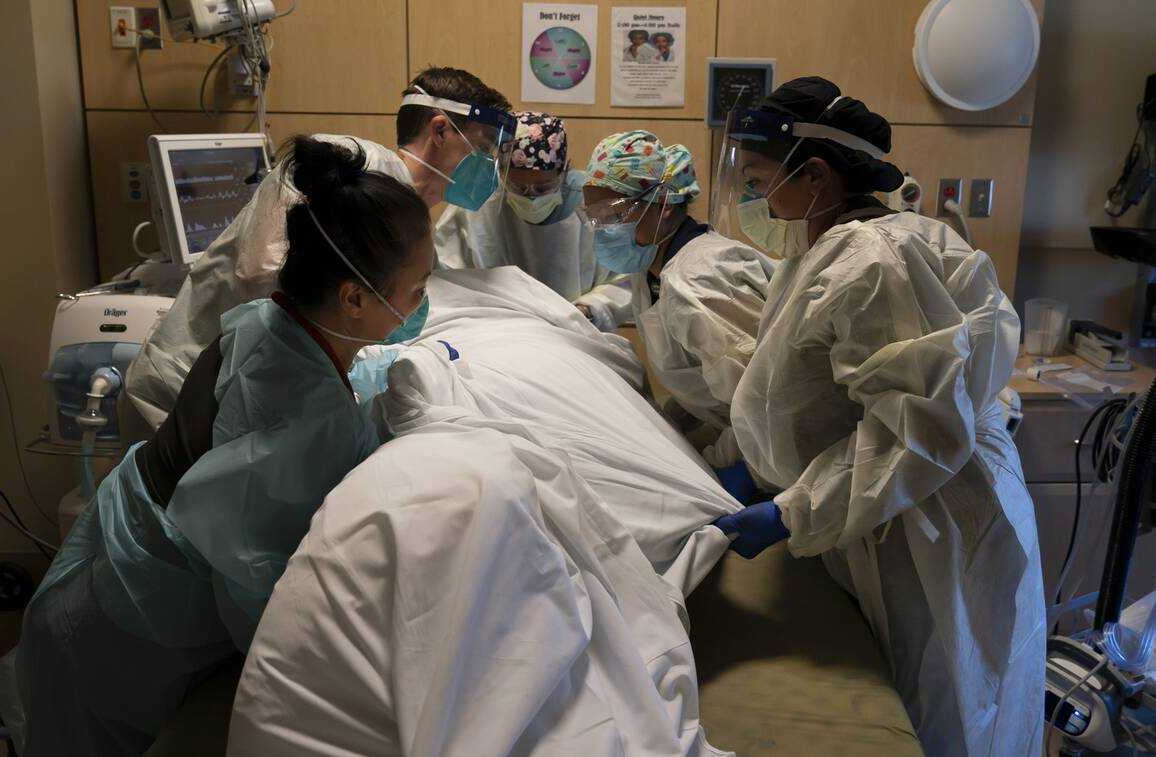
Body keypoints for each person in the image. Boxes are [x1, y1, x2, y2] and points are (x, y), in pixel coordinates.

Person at [0, 137, 435, 756]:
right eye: (417, 287)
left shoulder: (270, 321)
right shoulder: (301, 414)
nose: (423, 302)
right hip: (121, 630)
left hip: (104, 573)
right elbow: (261, 591)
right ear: (354, 298)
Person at [709, 77, 1045, 756]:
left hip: (925, 513)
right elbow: (816, 391)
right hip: (892, 500)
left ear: (815, 175)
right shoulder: (835, 250)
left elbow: (917, 428)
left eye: (761, 181)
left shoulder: (873, 260)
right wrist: (758, 463)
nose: (755, 200)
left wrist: (795, 509)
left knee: (945, 700)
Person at [124, 67, 512, 433]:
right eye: (482, 148)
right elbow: (260, 270)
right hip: (180, 390)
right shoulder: (344, 164)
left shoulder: (412, 226)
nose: (489, 167)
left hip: (248, 403)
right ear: (440, 130)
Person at [579, 131, 774, 455]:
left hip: (771, 451)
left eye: (614, 215)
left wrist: (725, 464)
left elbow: (764, 405)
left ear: (665, 204)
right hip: (743, 435)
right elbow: (702, 378)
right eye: (594, 217)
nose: (603, 230)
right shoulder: (654, 266)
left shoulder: (701, 280)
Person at [433, 111, 632, 331]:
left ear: (564, 171)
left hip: (578, 331)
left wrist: (588, 310)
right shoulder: (476, 206)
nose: (531, 197)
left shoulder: (593, 204)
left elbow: (625, 279)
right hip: (495, 331)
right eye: (518, 187)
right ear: (501, 172)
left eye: (543, 187)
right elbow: (447, 277)